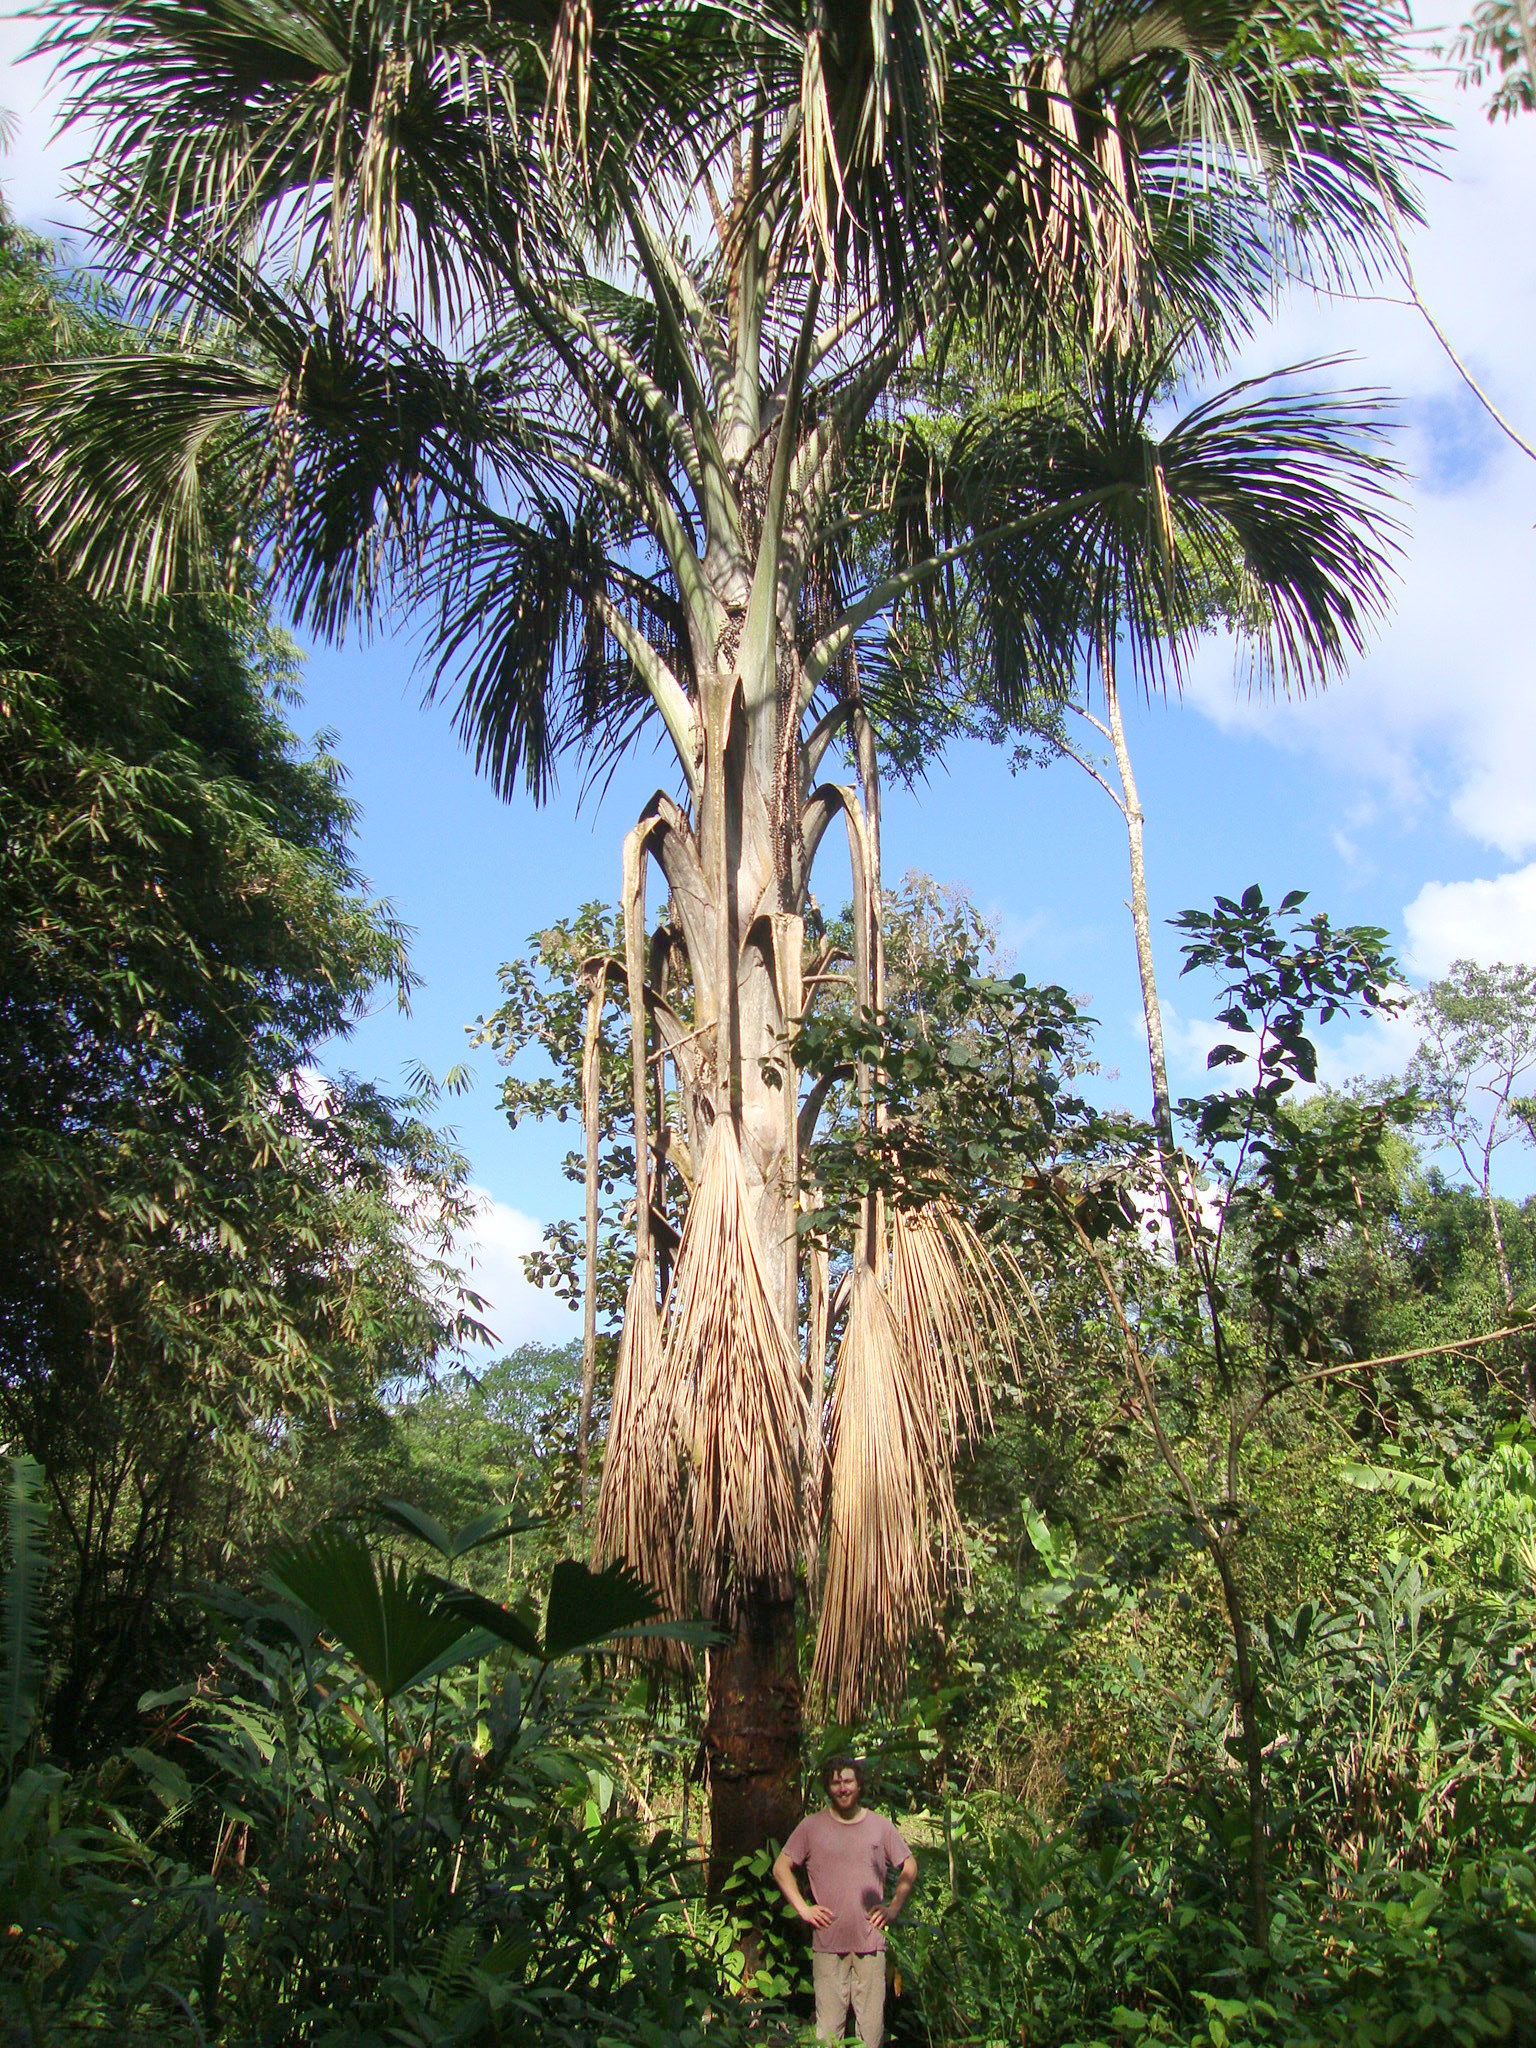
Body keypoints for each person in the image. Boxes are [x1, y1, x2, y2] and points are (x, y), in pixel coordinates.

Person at [771, 1754, 918, 2048]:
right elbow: (780, 1867)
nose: (842, 1788)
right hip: (828, 1945)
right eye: (836, 1782)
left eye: (848, 1781)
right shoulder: (811, 1827)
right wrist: (804, 1909)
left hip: (871, 1945)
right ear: (828, 1786)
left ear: (858, 1784)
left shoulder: (879, 1826)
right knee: (828, 2035)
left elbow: (910, 1866)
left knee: (871, 2034)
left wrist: (892, 1908)